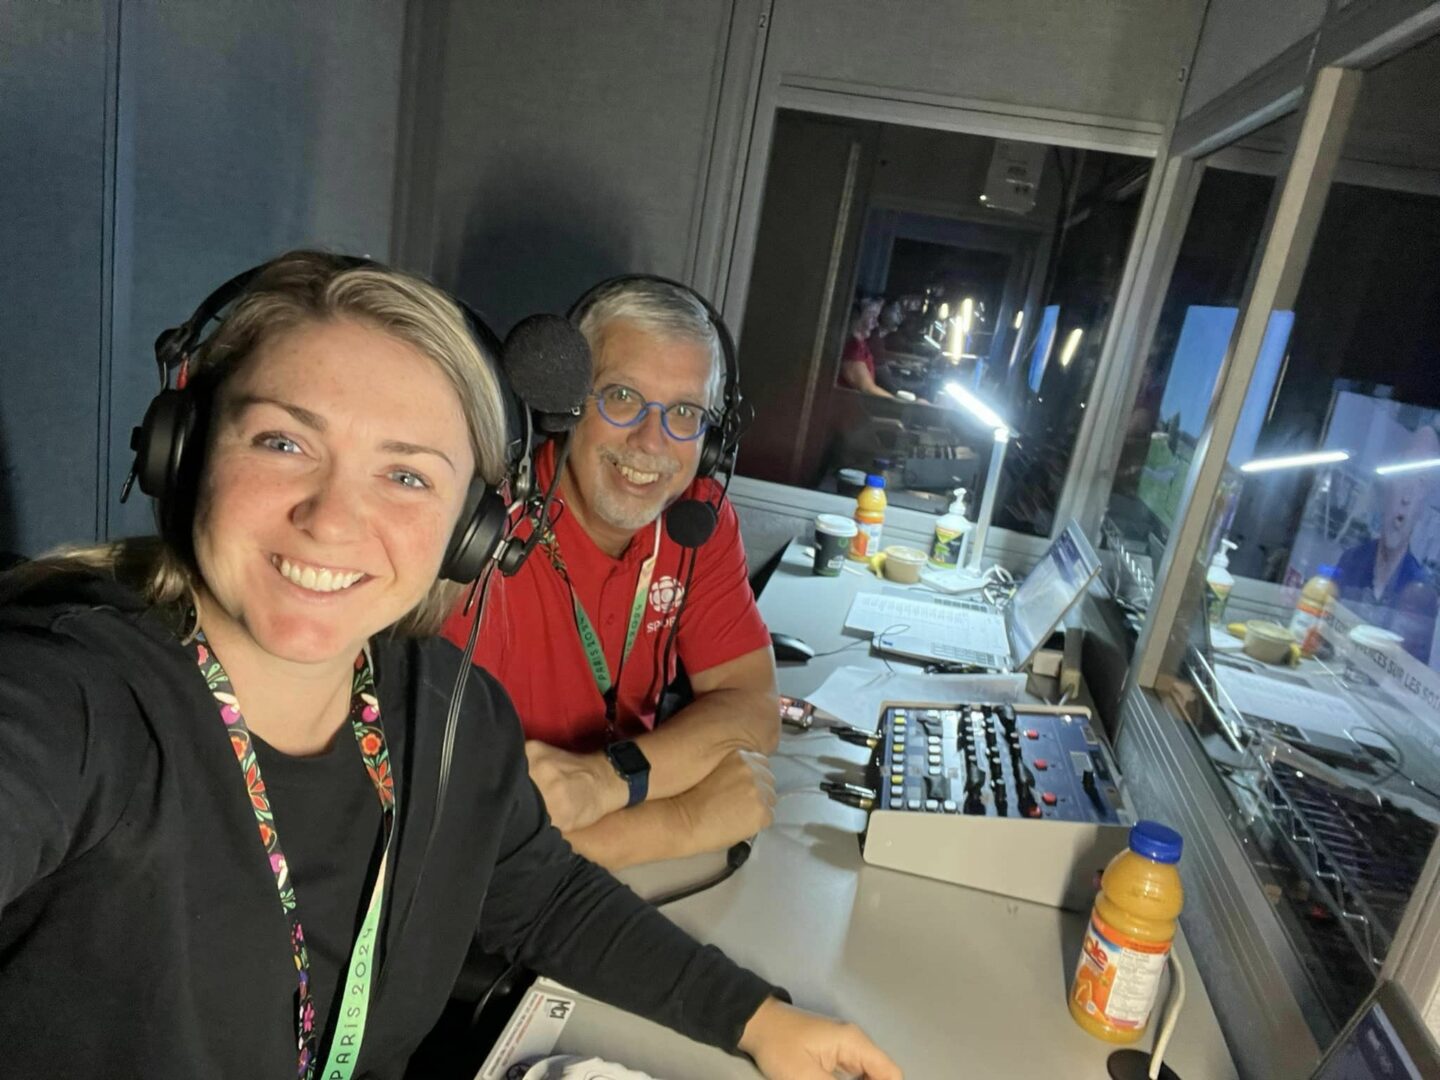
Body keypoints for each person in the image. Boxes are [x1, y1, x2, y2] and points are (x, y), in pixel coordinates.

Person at [0, 252, 901, 1080]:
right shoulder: (77, 706)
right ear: (185, 450)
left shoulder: (443, 713)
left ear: (472, 532)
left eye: (407, 475)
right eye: (283, 442)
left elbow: (541, 894)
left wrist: (759, 1020)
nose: (332, 519)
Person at [444, 277, 782, 870]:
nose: (651, 442)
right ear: (566, 402)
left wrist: (606, 782)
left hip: (608, 846)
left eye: (685, 412)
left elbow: (752, 707)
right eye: (622, 396)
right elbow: (456, 840)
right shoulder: (478, 534)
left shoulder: (696, 519)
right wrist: (681, 820)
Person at [1334, 424, 1440, 664]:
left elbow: (1411, 680)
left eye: (1421, 482)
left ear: (1423, 507)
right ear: (1388, 483)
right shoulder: (1351, 561)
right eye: (1405, 473)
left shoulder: (1421, 593)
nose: (1406, 497)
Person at [838, 296, 896, 398]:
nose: (876, 323)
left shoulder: (861, 344)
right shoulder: (852, 347)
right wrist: (905, 404)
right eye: (872, 317)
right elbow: (867, 388)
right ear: (857, 318)